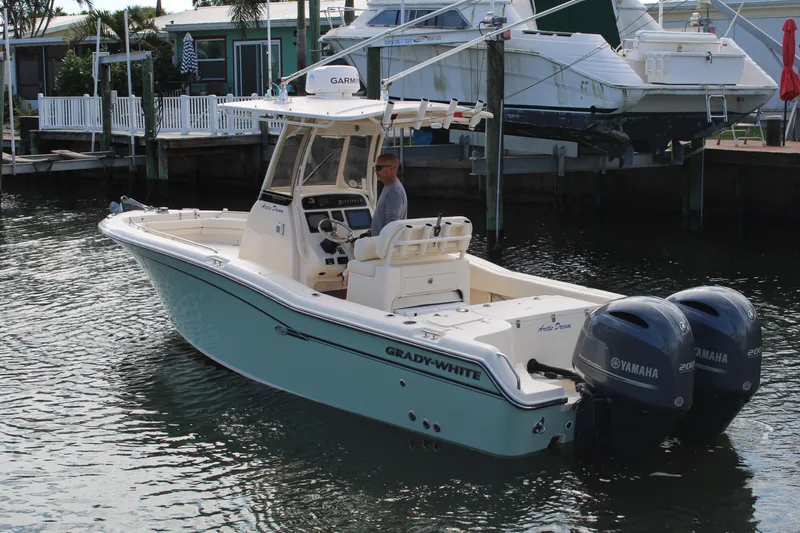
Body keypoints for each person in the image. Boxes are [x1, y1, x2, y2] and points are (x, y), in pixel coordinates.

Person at [370, 153, 407, 236]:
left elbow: (392, 226)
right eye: (375, 167)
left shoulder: (394, 191)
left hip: (382, 245)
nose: (376, 171)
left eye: (379, 168)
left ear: (392, 169)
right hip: (377, 241)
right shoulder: (389, 187)